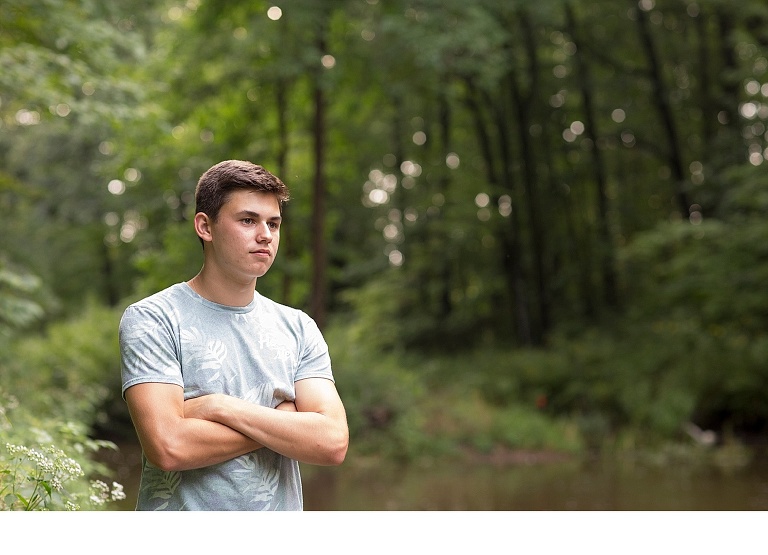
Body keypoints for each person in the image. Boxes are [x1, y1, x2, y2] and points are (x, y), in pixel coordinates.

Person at [119, 160, 348, 511]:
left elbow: (332, 442)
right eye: (247, 220)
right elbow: (169, 446)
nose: (265, 235)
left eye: (273, 223)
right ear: (205, 227)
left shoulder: (299, 327)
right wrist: (283, 421)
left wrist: (217, 406)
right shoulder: (153, 319)